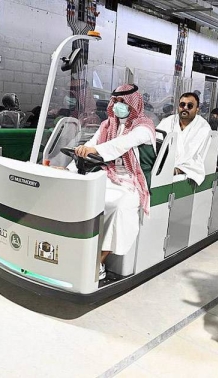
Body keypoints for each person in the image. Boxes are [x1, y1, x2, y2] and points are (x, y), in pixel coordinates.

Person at [67, 84, 156, 280]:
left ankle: (98, 262)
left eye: (123, 102)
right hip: (108, 174)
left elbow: (121, 144)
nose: (117, 105)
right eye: (115, 101)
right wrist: (76, 159)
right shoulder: (107, 125)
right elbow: (92, 145)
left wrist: (94, 150)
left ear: (134, 103)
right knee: (83, 197)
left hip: (131, 181)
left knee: (117, 206)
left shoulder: (144, 127)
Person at [156, 92, 212, 185]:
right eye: (182, 105)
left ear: (197, 109)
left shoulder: (203, 128)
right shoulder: (168, 121)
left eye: (190, 106)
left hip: (185, 171)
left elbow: (197, 157)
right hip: (161, 166)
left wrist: (176, 170)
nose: (185, 108)